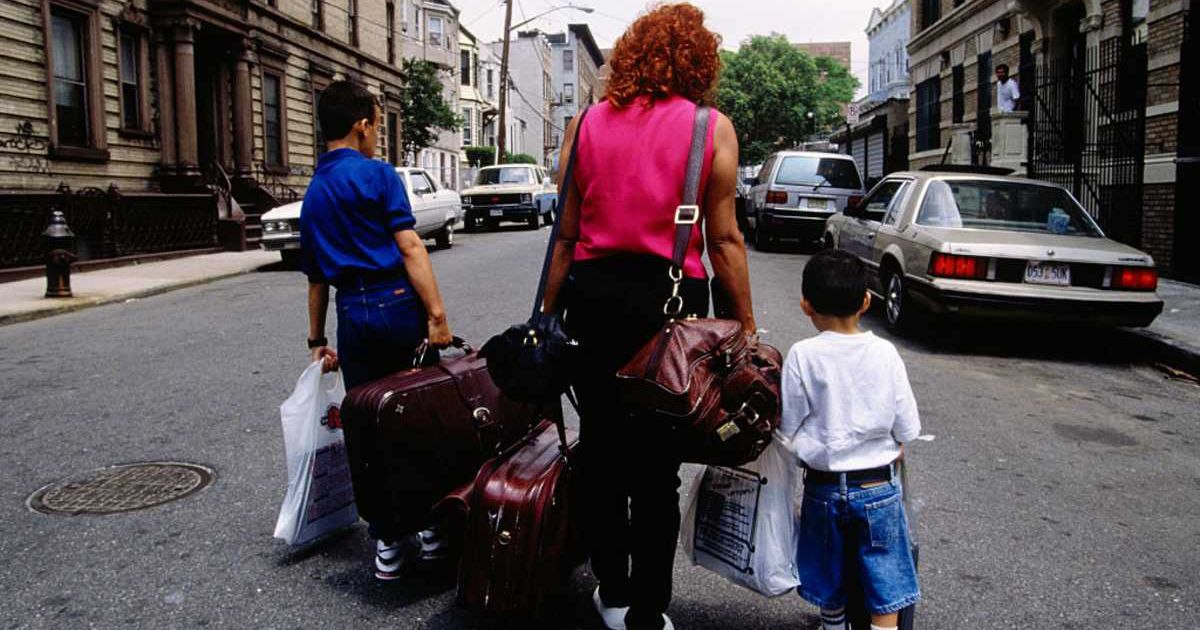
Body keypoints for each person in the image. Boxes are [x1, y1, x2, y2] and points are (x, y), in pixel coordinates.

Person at [540, 4, 757, 629]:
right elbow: (724, 242)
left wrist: (546, 317)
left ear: (630, 55)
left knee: (602, 453)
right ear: (699, 62)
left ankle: (611, 592)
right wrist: (745, 327)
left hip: (594, 302)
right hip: (671, 313)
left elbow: (564, 234)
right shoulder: (710, 129)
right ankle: (649, 610)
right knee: (656, 467)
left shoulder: (584, 127)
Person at [300, 80, 454, 581]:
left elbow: (316, 276)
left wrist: (316, 340)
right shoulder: (378, 176)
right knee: (417, 418)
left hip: (352, 315)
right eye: (373, 126)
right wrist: (436, 315)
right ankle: (431, 529)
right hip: (394, 303)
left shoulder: (315, 192)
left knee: (368, 425)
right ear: (361, 125)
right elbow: (410, 245)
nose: (375, 136)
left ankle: (387, 540)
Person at [780, 249, 921, 630]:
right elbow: (907, 426)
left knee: (829, 578)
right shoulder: (885, 353)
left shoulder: (802, 355)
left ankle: (833, 625)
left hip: (823, 490)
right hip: (878, 486)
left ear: (806, 305)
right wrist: (897, 443)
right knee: (885, 581)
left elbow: (788, 425)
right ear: (866, 300)